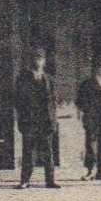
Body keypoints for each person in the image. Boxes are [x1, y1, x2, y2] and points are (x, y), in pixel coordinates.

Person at [14, 48, 59, 189]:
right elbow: (18, 100)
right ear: (31, 61)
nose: (38, 62)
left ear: (44, 62)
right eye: (35, 58)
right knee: (28, 151)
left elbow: (53, 101)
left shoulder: (49, 80)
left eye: (40, 59)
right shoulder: (23, 78)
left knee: (48, 151)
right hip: (30, 120)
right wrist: (22, 117)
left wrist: (53, 118)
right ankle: (25, 180)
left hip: (45, 120)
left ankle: (50, 180)